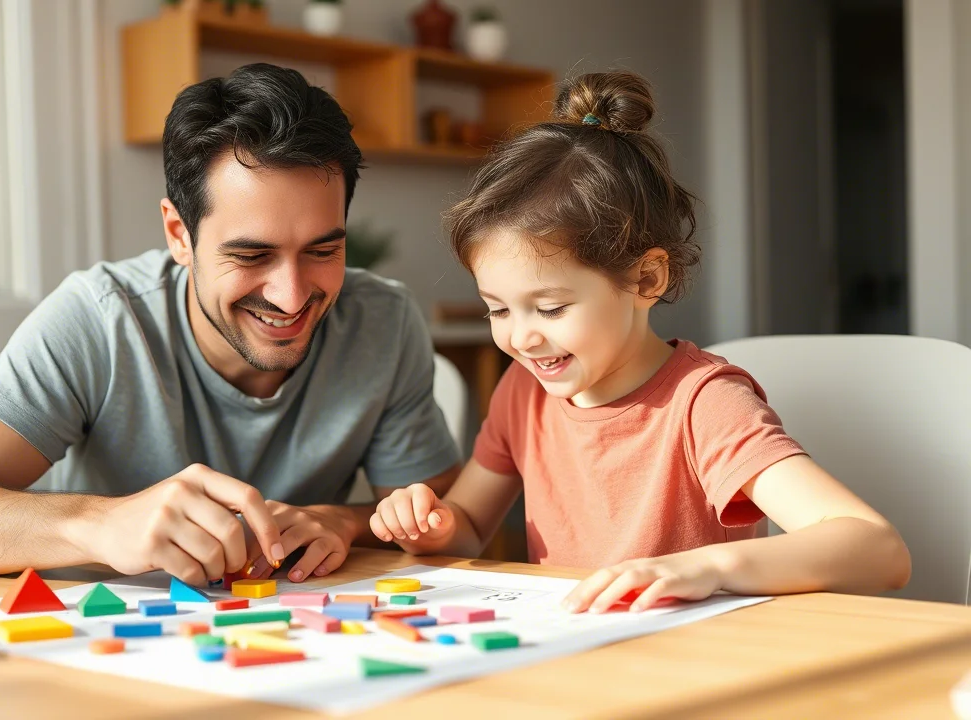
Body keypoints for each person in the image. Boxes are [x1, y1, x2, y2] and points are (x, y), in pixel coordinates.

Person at [0, 63, 461, 586]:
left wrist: (344, 521)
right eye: (251, 255)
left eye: (323, 250)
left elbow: (444, 522)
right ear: (179, 235)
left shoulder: (382, 320)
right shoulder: (100, 320)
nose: (293, 294)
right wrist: (101, 524)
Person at [369, 71, 910, 612]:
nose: (523, 336)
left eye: (552, 308)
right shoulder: (524, 391)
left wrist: (710, 567)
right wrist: (430, 524)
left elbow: (879, 549)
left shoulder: (704, 404)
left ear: (646, 280)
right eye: (498, 309)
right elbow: (467, 529)